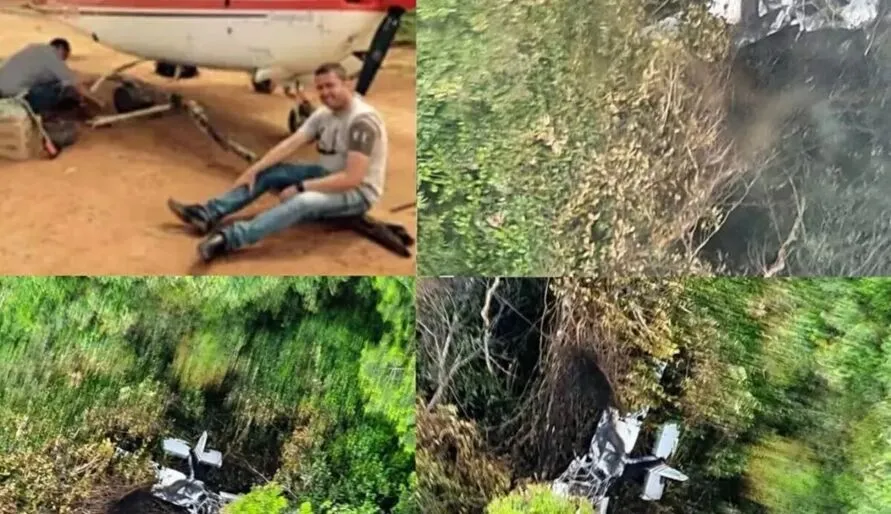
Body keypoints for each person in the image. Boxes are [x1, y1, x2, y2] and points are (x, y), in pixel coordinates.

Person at [167, 62, 388, 262]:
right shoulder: (325, 114)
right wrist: (254, 170)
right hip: (327, 174)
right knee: (272, 172)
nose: (325, 93)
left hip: (358, 192)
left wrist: (301, 187)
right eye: (320, 88)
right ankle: (207, 214)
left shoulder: (362, 121)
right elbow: (291, 143)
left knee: (304, 202)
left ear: (348, 84)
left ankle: (229, 239)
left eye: (331, 86)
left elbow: (353, 178)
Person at [0, 38, 97, 116]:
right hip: (11, 93)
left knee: (54, 82)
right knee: (61, 90)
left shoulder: (35, 48)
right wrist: (98, 101)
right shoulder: (53, 57)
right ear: (61, 48)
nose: (63, 60)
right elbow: (76, 84)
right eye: (65, 57)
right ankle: (44, 114)